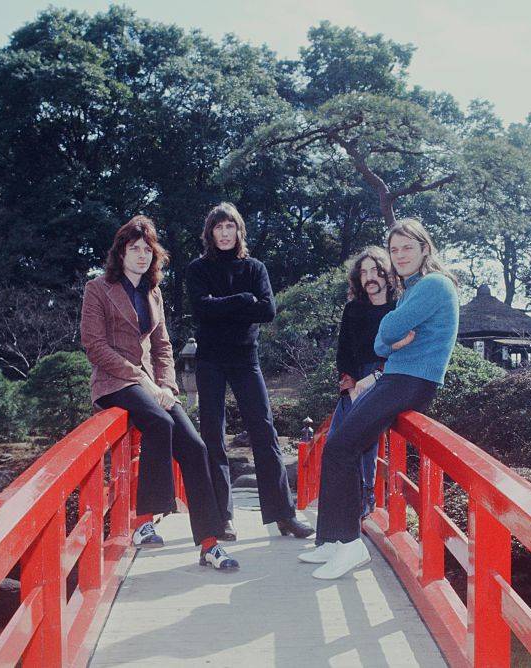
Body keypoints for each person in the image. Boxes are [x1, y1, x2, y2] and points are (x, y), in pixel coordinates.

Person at [301, 219, 459, 579]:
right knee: (340, 445)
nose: (400, 255)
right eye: (395, 249)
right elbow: (379, 341)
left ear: (425, 249)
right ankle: (332, 540)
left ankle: (350, 544)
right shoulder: (413, 290)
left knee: (340, 446)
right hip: (398, 378)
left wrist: (391, 335)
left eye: (407, 248)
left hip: (410, 380)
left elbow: (386, 330)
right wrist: (390, 336)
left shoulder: (434, 284)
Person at [80, 216, 238, 571]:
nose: (141, 256)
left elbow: (163, 346)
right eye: (133, 249)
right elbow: (94, 346)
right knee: (157, 423)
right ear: (120, 253)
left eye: (147, 250)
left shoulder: (153, 292)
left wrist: (167, 385)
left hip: (153, 385)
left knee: (196, 448)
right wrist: (143, 380)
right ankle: (143, 520)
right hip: (114, 383)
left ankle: (210, 544)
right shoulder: (98, 289)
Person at [187, 202, 314, 540]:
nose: (225, 234)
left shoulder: (254, 268)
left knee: (264, 431)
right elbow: (201, 309)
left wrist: (224, 305)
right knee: (212, 434)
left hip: (246, 358)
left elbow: (268, 311)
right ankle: (222, 517)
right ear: (210, 233)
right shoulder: (198, 269)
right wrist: (244, 301)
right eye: (219, 228)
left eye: (231, 227)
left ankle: (283, 515)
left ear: (239, 231)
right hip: (210, 359)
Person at [330, 247, 397, 518]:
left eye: (376, 271)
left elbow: (401, 351)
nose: (370, 277)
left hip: (386, 376)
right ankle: (341, 502)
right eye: (364, 272)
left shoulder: (398, 307)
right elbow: (343, 350)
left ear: (386, 274)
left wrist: (375, 377)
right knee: (337, 439)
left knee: (366, 435)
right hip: (355, 379)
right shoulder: (353, 309)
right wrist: (350, 384)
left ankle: (365, 495)